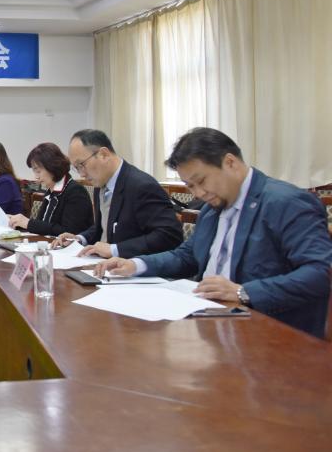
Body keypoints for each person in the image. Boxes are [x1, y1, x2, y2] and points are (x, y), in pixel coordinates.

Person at [96, 127, 332, 338]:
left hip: (266, 331)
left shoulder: (286, 202)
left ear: (230, 163)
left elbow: (320, 273)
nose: (198, 193)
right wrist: (136, 265)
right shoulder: (211, 209)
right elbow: (187, 256)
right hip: (208, 319)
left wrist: (243, 292)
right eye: (190, 186)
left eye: (201, 181)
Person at [52, 129, 181, 258]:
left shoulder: (142, 186)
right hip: (102, 264)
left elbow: (169, 236)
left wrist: (115, 249)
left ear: (103, 154)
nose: (81, 174)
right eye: (76, 168)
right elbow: (103, 228)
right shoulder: (100, 183)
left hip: (131, 265)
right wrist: (79, 239)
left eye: (81, 165)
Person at [8, 142, 93, 235]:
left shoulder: (76, 192)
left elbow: (69, 232)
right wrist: (17, 223)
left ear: (52, 167)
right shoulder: (51, 190)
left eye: (38, 171)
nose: (36, 177)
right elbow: (43, 225)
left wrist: (29, 223)